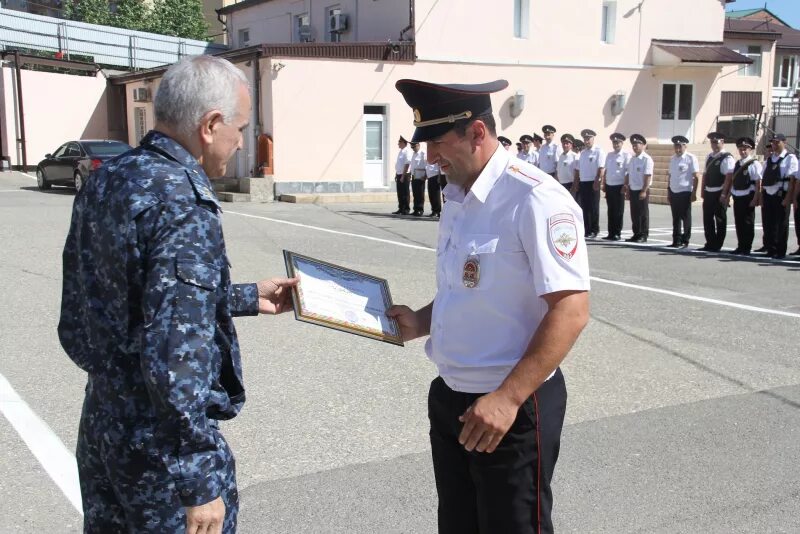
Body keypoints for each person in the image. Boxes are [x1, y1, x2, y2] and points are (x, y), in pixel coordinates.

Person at [58, 55, 299, 533]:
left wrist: (249, 296)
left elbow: (116, 299)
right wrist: (197, 475)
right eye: (240, 128)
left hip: (105, 423)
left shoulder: (110, 179)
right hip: (159, 451)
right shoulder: (182, 201)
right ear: (210, 125)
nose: (241, 141)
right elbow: (174, 350)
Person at [389, 78, 590, 534]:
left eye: (438, 143)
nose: (430, 157)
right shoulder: (459, 195)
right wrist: (422, 321)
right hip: (452, 398)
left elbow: (571, 310)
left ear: (477, 133)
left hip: (511, 407)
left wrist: (507, 398)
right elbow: (470, 287)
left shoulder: (534, 198)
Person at [760, 133, 798, 259]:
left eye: (777, 142)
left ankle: (780, 250)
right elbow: (764, 179)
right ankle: (771, 248)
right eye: (773, 142)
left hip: (781, 194)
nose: (774, 145)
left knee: (781, 223)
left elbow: (792, 180)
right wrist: (762, 196)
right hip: (769, 194)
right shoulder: (770, 159)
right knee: (769, 223)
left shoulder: (790, 158)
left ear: (784, 142)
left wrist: (789, 198)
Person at [699, 132, 735, 252]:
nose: (714, 144)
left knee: (720, 219)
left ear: (722, 142)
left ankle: (718, 244)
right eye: (712, 142)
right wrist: (703, 190)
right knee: (707, 218)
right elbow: (705, 174)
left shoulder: (727, 157)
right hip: (709, 191)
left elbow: (729, 177)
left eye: (716, 142)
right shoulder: (710, 156)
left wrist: (725, 194)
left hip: (719, 192)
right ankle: (710, 242)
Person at [729, 136, 762, 255]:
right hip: (738, 195)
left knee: (747, 223)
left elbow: (758, 183)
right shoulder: (738, 163)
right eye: (741, 149)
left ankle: (746, 247)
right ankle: (740, 245)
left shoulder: (754, 163)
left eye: (745, 149)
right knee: (739, 222)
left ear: (750, 150)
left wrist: (755, 199)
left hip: (748, 196)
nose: (743, 151)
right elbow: (734, 180)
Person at [667, 135, 700, 248]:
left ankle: (685, 239)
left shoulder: (691, 158)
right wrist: (668, 191)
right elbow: (670, 176)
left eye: (680, 146)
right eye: (676, 146)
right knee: (675, 217)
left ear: (685, 146)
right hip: (674, 191)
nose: (678, 149)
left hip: (685, 191)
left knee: (685, 217)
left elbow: (696, 176)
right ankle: (676, 240)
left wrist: (694, 193)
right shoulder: (672, 159)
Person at [573, 129, 605, 238]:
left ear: (593, 139)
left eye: (588, 139)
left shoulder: (598, 151)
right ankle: (587, 229)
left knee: (593, 207)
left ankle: (594, 230)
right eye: (585, 139)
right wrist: (577, 183)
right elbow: (578, 169)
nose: (587, 141)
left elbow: (601, 168)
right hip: (584, 182)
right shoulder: (583, 153)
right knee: (585, 207)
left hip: (593, 182)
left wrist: (597, 180)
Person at [624, 134, 653, 243]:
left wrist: (644, 190)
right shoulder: (633, 159)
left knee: (643, 213)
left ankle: (643, 235)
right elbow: (629, 174)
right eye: (633, 144)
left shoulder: (647, 159)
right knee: (634, 213)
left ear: (643, 145)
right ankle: (636, 233)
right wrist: (627, 187)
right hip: (633, 189)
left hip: (642, 189)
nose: (635, 146)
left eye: (637, 144)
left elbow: (647, 176)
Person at [602, 133, 630, 241]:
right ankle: (611, 232)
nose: (616, 144)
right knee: (611, 210)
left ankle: (617, 233)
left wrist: (625, 185)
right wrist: (604, 184)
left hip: (619, 186)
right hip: (610, 185)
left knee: (618, 211)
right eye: (614, 142)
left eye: (617, 142)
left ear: (622, 143)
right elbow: (606, 171)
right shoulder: (609, 155)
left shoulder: (626, 156)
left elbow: (627, 172)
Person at [393, 135, 413, 215]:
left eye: (399, 142)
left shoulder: (407, 151)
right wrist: (396, 174)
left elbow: (407, 164)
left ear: (404, 143)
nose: (398, 143)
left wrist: (403, 176)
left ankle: (406, 209)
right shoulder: (401, 151)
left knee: (405, 192)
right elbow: (399, 164)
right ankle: (401, 208)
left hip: (405, 174)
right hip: (399, 174)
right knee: (400, 192)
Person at [409, 141, 428, 216]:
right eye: (412, 147)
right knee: (415, 193)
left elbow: (426, 164)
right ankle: (415, 209)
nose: (413, 148)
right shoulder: (413, 154)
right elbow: (413, 165)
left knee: (420, 193)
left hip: (421, 176)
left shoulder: (423, 153)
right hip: (414, 176)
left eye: (414, 147)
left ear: (418, 145)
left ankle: (420, 209)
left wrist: (426, 175)